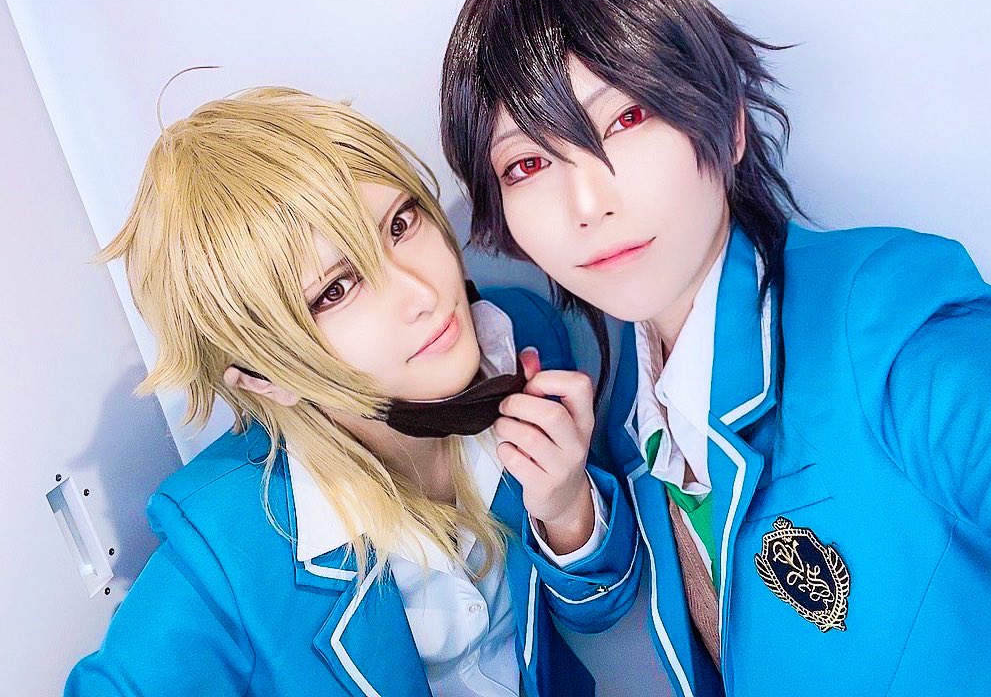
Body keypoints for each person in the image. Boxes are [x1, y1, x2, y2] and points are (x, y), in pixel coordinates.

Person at [439, 0, 991, 695]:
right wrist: (567, 507)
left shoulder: (890, 321)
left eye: (627, 117)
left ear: (728, 126)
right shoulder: (630, 391)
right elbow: (607, 601)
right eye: (528, 164)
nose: (587, 204)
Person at [65, 86, 641, 696]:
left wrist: (566, 510)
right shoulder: (227, 552)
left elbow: (597, 608)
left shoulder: (520, 338)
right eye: (335, 291)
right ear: (265, 376)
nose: (424, 294)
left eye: (400, 225)